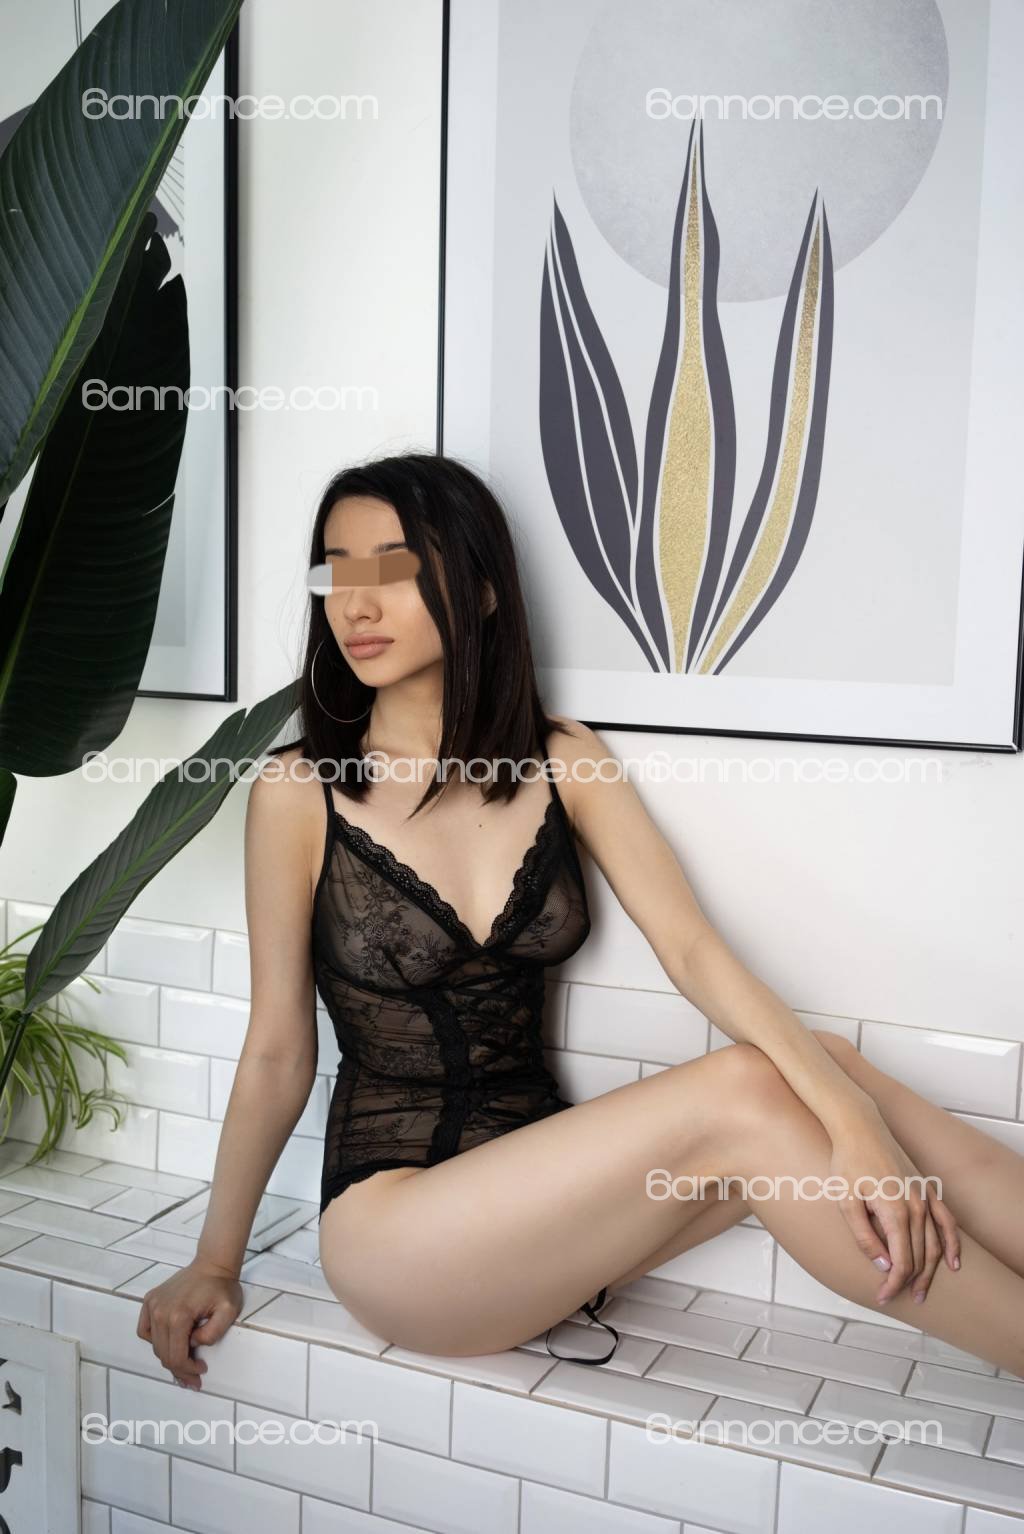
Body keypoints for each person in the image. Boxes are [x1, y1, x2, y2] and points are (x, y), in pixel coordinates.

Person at [139, 453, 1024, 1390]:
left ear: (482, 589)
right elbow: (279, 1051)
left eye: (392, 568)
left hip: (547, 1232)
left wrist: (855, 1121)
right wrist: (216, 1262)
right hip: (399, 1241)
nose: (355, 604)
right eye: (335, 572)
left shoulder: (565, 759)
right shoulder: (298, 791)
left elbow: (692, 951)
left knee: (830, 1070)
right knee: (754, 1091)